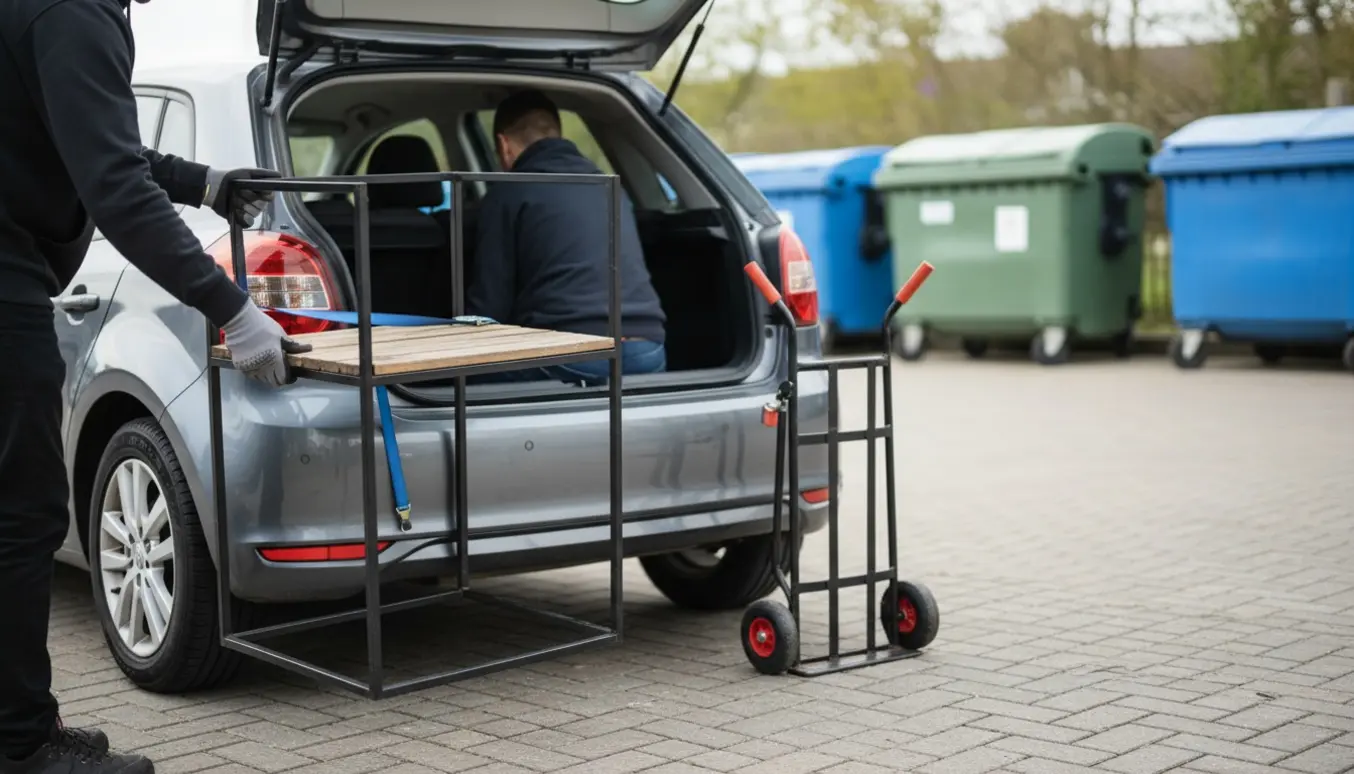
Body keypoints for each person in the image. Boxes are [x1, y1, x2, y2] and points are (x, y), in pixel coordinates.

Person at [1, 1, 310, 772]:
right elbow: (111, 182)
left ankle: (19, 723)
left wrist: (203, 182)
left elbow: (77, 136)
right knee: (23, 512)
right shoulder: (73, 8)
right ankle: (20, 745)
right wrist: (232, 306)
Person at [468, 89, 668, 384]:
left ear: (504, 145)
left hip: (570, 355)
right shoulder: (612, 188)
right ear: (558, 135)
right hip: (648, 351)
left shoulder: (508, 193)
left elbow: (488, 308)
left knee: (460, 381)